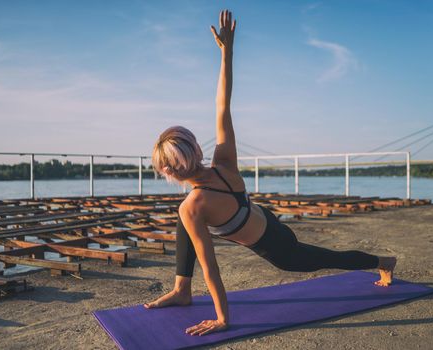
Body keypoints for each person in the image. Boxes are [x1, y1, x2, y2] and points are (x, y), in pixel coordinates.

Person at [145, 9, 396, 337]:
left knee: (324, 258)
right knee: (185, 217)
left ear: (168, 172)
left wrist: (223, 319)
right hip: (265, 217)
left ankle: (383, 262)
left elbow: (211, 267)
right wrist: (227, 52)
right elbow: (223, 106)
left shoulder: (194, 206)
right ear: (196, 149)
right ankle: (182, 289)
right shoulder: (224, 162)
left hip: (277, 248)